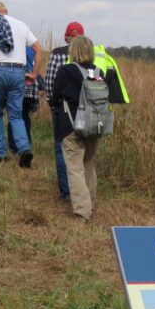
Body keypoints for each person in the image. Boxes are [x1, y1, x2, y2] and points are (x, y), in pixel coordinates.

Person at [0, 1, 44, 166]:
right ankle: (24, 148)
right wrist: (35, 74)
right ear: (6, 11)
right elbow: (39, 49)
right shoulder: (21, 25)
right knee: (16, 114)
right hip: (19, 72)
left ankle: (1, 153)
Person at [50, 35, 104, 220]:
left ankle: (82, 210)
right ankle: (91, 203)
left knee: (75, 168)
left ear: (73, 50)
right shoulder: (97, 72)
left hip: (72, 126)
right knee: (89, 165)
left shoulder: (66, 71)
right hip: (94, 125)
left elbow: (55, 95)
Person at [43, 21, 84, 200]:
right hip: (86, 110)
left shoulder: (58, 54)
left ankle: (66, 192)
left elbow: (50, 81)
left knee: (61, 147)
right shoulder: (92, 56)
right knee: (82, 149)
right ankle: (81, 189)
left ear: (66, 37)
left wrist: (52, 103)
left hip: (62, 108)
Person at [6, 45, 40, 155]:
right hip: (30, 81)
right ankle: (27, 143)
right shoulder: (31, 49)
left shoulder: (13, 48)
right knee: (25, 115)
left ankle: (14, 145)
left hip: (16, 79)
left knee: (13, 115)